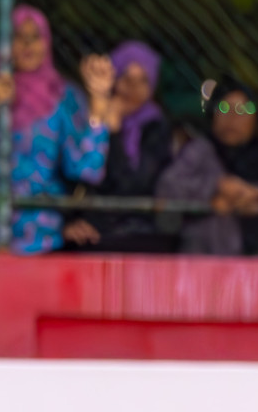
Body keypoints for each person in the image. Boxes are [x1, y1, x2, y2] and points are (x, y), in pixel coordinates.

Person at [0, 5, 110, 254]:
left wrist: (98, 104)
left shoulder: (62, 97)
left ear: (47, 43)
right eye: (18, 36)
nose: (27, 45)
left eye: (35, 37)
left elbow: (85, 168)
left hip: (40, 235)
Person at [156, 81, 258, 256]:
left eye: (243, 110)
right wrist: (215, 189)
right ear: (212, 113)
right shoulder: (200, 150)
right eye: (223, 108)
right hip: (202, 262)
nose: (232, 117)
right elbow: (168, 185)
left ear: (255, 118)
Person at [62, 41, 177, 253]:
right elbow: (77, 177)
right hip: (90, 229)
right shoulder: (86, 119)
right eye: (126, 77)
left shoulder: (156, 127)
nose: (133, 88)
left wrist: (113, 133)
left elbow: (130, 186)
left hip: (138, 230)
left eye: (142, 80)